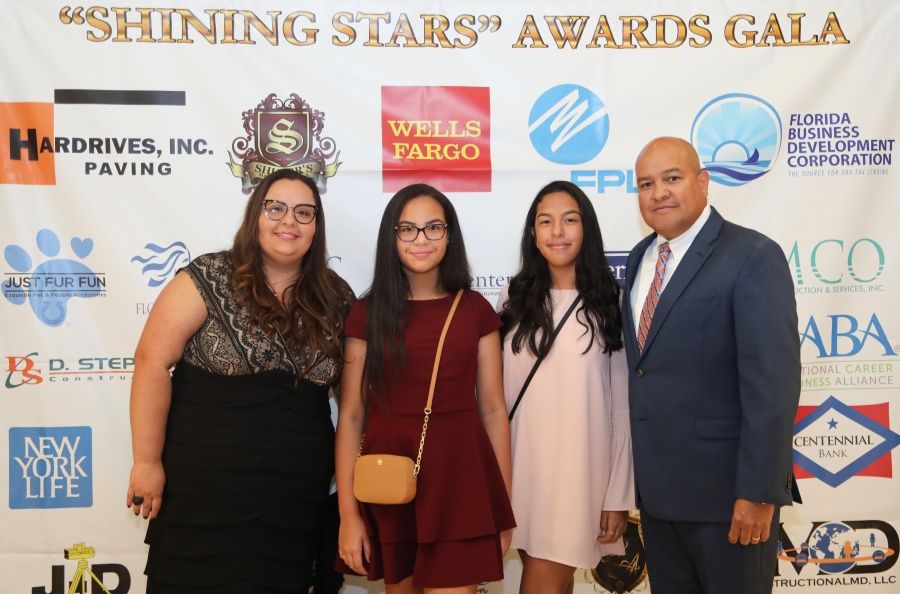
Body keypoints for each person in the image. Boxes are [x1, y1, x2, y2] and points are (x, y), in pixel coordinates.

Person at [126, 169, 353, 593]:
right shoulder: (208, 276)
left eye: (304, 212)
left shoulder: (337, 299)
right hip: (202, 493)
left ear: (316, 226)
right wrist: (146, 461)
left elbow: (355, 406)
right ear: (255, 216)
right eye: (276, 208)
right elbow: (152, 362)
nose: (289, 221)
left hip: (293, 503)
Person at [622, 137, 801, 594]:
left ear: (702, 182)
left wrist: (759, 491)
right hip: (658, 501)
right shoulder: (641, 258)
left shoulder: (752, 255)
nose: (659, 192)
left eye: (672, 178)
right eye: (646, 184)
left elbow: (772, 385)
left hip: (730, 501)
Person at [335, 183, 515, 593]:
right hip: (388, 482)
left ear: (450, 236)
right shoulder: (366, 313)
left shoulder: (475, 310)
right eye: (408, 229)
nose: (421, 239)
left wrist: (500, 506)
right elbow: (351, 414)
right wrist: (349, 514)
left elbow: (492, 409)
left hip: (460, 480)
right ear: (392, 237)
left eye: (434, 227)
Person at [498, 181, 634, 594]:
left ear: (586, 229)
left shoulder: (611, 301)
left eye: (569, 220)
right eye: (545, 221)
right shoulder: (513, 297)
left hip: (578, 474)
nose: (557, 231)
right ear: (533, 233)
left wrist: (618, 494)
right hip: (520, 470)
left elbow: (622, 408)